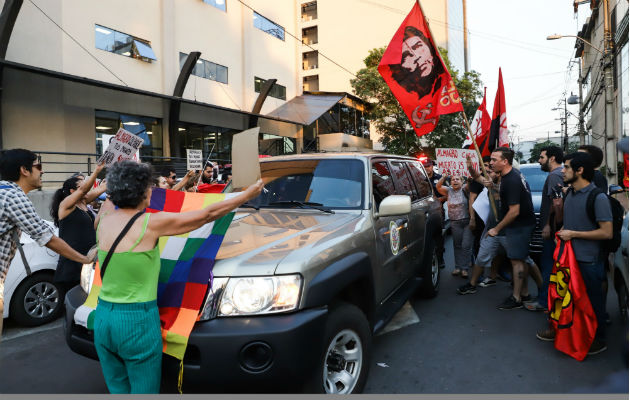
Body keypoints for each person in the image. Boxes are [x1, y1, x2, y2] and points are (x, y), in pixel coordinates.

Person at [93, 160, 263, 394]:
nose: (153, 190)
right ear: (141, 191)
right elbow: (207, 214)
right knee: (144, 389)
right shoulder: (149, 224)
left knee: (118, 388)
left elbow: (107, 201)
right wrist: (246, 194)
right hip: (136, 322)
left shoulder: (103, 218)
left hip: (102, 317)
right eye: (150, 186)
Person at [0, 149, 95, 337]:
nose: (42, 171)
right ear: (24, 170)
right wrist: (85, 260)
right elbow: (47, 239)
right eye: (38, 166)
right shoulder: (13, 196)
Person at [536, 152, 612, 356]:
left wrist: (574, 234)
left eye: (568, 167)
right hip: (566, 259)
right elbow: (566, 222)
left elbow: (606, 232)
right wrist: (560, 228)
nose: (563, 170)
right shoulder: (569, 193)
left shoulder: (598, 197)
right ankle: (561, 329)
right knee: (565, 298)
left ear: (580, 171)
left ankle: (597, 339)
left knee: (591, 303)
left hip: (588, 260)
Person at [488, 147, 536, 310]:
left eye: (494, 160)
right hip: (520, 225)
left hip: (519, 225)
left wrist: (496, 229)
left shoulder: (511, 180)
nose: (491, 163)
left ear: (505, 161)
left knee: (517, 262)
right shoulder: (510, 175)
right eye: (491, 159)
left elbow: (514, 211)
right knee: (520, 260)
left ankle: (516, 298)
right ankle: (525, 294)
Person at [50, 164, 107, 300]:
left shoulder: (84, 202)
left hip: (87, 261)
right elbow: (83, 191)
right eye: (82, 185)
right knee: (74, 301)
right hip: (71, 263)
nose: (87, 187)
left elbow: (100, 188)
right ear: (72, 191)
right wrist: (96, 171)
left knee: (88, 300)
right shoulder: (65, 205)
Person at [525, 146, 564, 312]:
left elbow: (556, 204)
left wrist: (548, 224)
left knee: (548, 266)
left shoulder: (555, 175)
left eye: (542, 157)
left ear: (552, 158)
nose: (540, 160)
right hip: (555, 229)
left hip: (552, 230)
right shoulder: (557, 174)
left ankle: (544, 302)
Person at [390, 26, 445, 99]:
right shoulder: (410, 96)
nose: (417, 57)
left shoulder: (444, 79)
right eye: (407, 56)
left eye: (418, 46)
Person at [436, 175, 473, 278]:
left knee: (466, 245)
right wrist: (443, 177)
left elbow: (470, 185)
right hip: (454, 222)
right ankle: (457, 267)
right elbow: (438, 186)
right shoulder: (448, 191)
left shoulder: (465, 189)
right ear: (450, 182)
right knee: (457, 245)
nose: (455, 181)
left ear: (462, 182)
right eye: (453, 179)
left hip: (466, 221)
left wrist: (470, 179)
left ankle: (465, 268)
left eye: (457, 179)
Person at [423, 159, 446, 269]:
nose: (427, 168)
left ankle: (440, 259)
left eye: (428, 166)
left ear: (432, 166)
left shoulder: (439, 178)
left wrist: (438, 201)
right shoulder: (419, 178)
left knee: (438, 237)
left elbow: (448, 194)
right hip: (423, 212)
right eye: (425, 166)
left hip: (437, 211)